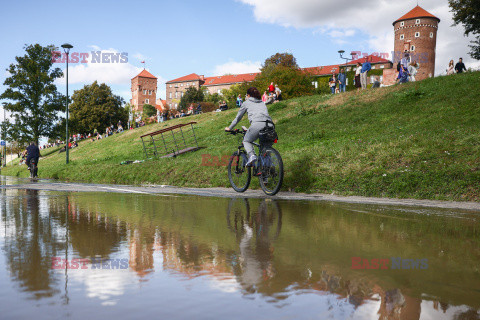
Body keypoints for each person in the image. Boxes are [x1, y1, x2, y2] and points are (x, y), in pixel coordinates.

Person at [224, 87, 273, 166]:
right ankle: (269, 169)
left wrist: (230, 128)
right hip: (270, 125)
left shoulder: (246, 103)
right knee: (265, 149)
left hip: (257, 124)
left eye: (246, 95)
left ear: (249, 95)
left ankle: (251, 155)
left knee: (246, 141)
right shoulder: (261, 102)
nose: (246, 96)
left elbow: (238, 118)